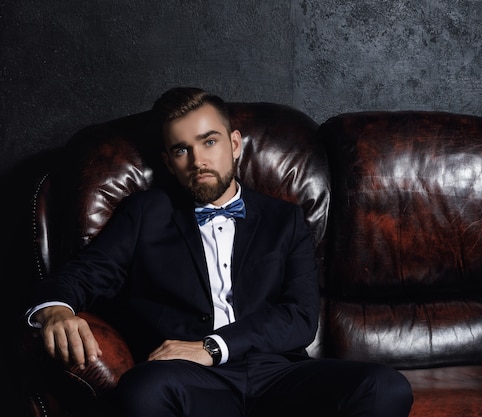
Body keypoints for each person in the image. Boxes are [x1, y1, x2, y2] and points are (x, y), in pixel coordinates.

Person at [25, 87, 414, 417]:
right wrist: (56, 310)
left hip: (275, 372)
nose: (198, 161)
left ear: (234, 144)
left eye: (209, 142)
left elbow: (298, 316)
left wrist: (213, 347)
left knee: (386, 387)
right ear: (168, 163)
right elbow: (85, 272)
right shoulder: (146, 213)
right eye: (182, 150)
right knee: (142, 391)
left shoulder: (285, 219)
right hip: (188, 379)